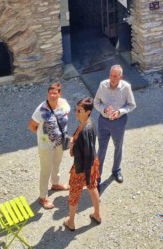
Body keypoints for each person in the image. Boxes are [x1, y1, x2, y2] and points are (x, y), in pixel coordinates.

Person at [28, 82, 70, 210]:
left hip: (59, 142)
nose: (52, 95)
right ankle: (43, 197)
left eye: (55, 93)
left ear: (59, 94)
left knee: (56, 164)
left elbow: (66, 114)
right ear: (47, 94)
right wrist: (45, 137)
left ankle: (55, 184)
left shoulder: (63, 103)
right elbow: (32, 126)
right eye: (50, 93)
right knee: (45, 170)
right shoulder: (41, 109)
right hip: (46, 146)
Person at [94, 64, 137, 185]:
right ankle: (97, 176)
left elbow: (132, 105)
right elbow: (96, 102)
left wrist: (119, 112)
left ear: (120, 77)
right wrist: (104, 109)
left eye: (115, 76)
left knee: (118, 146)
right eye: (110, 75)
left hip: (119, 122)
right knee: (101, 149)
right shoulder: (103, 85)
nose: (112, 78)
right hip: (103, 121)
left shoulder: (126, 87)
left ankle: (116, 170)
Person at [64, 97, 102, 230]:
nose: (76, 112)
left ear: (88, 112)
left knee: (74, 192)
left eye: (79, 110)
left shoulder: (84, 129)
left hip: (82, 167)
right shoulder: (89, 123)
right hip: (92, 164)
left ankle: (71, 222)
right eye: (76, 109)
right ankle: (97, 214)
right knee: (92, 188)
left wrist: (72, 146)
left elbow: (84, 152)